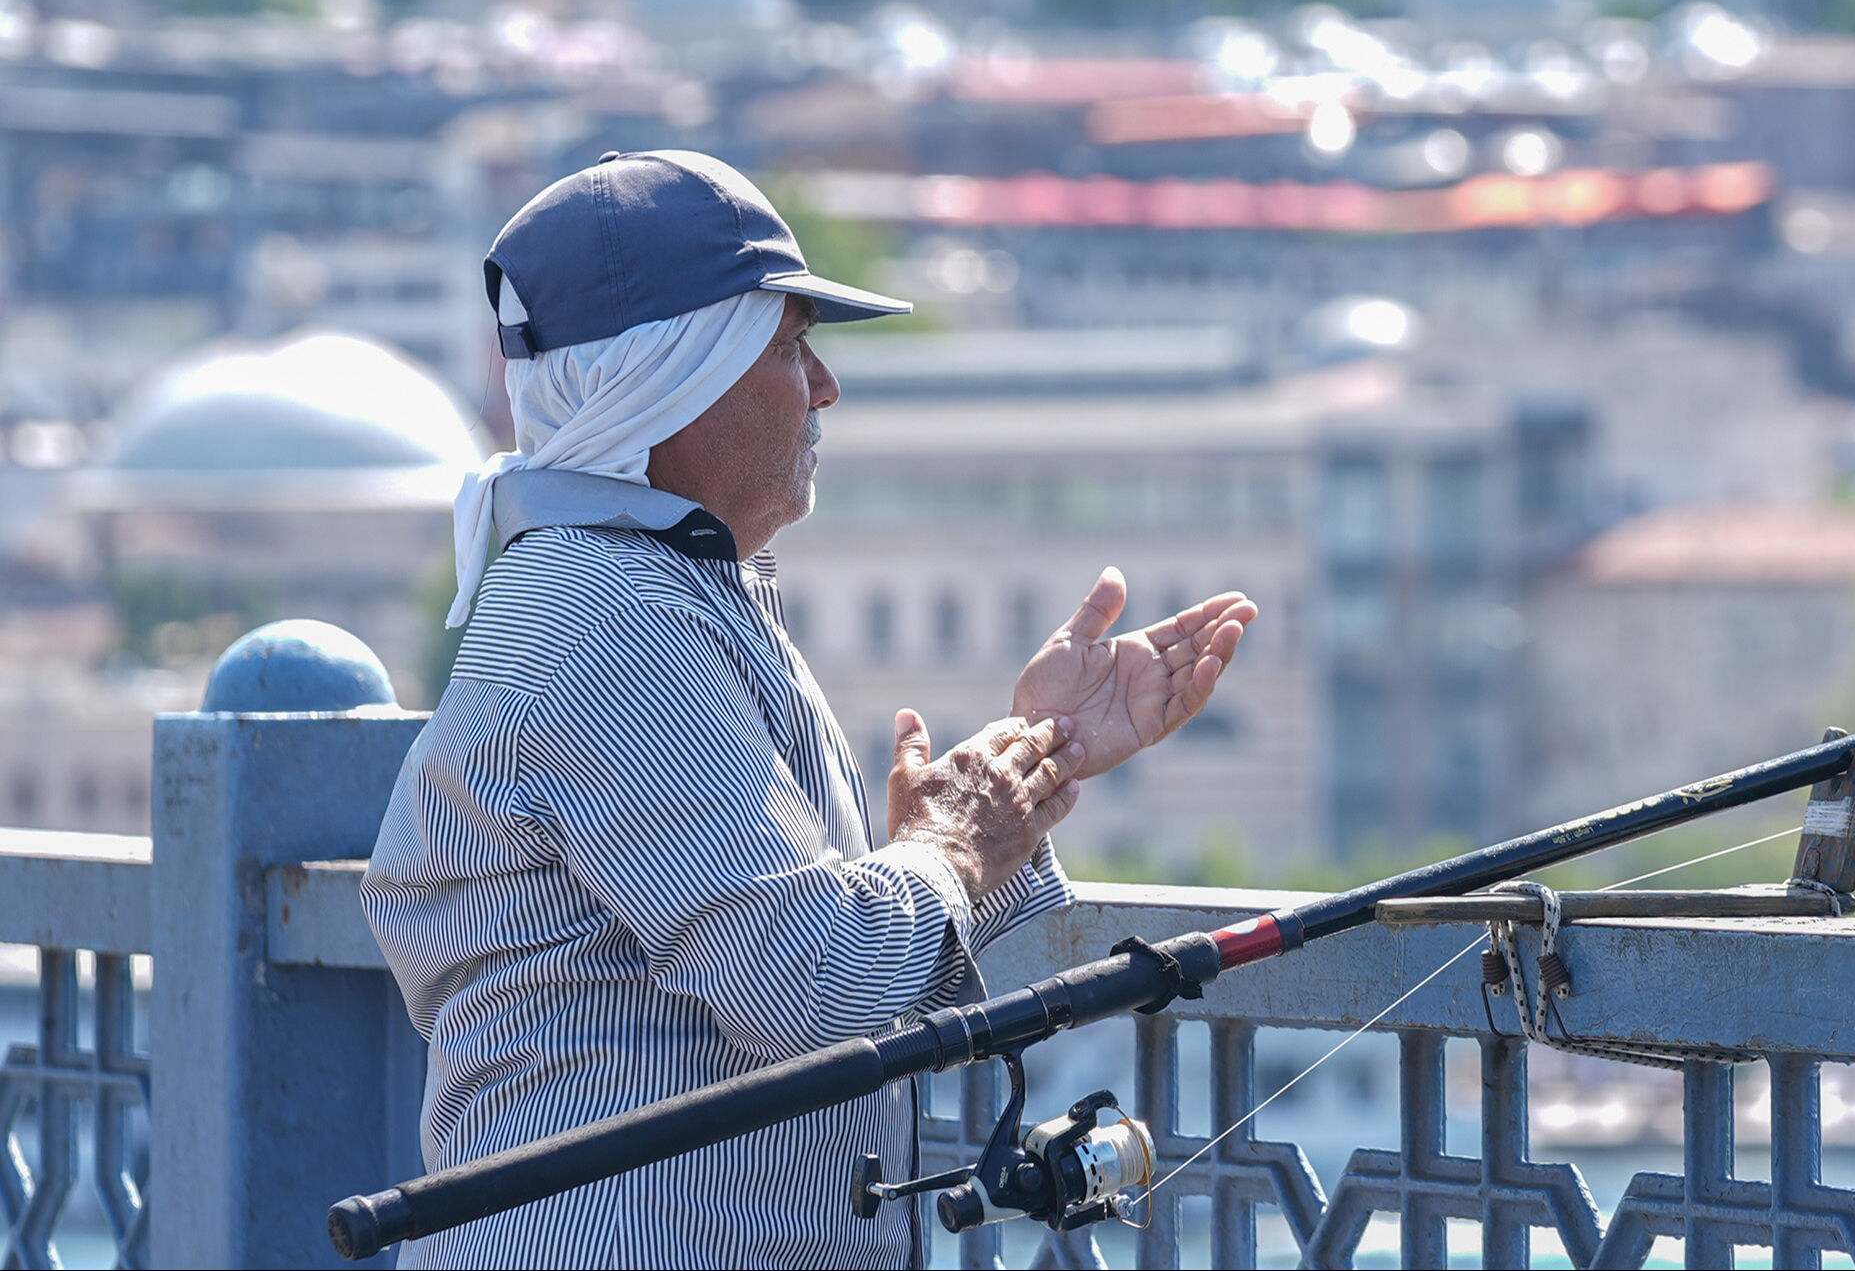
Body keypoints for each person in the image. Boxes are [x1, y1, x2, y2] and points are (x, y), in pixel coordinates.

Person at [362, 150, 1254, 1268]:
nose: (824, 385)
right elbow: (810, 979)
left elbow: (839, 961)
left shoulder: (659, 591)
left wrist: (1038, 763)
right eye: (790, 347)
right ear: (675, 376)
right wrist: (945, 845)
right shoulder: (610, 619)